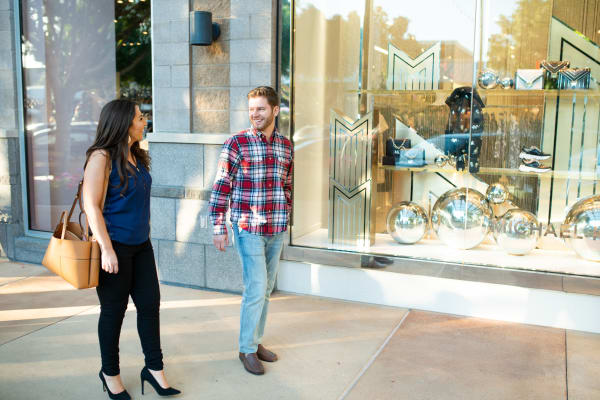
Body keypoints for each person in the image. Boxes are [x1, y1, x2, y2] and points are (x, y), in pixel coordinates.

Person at [82, 99, 180, 399]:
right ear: (124, 122)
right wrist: (107, 250)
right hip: (115, 248)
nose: (144, 121)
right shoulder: (101, 157)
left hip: (141, 246)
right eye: (140, 117)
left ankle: (154, 369)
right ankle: (109, 373)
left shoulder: (136, 155)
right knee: (113, 312)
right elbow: (91, 206)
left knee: (150, 306)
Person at [208, 86, 293, 375]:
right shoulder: (236, 143)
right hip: (248, 227)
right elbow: (221, 186)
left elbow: (287, 185)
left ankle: (256, 342)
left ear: (275, 110)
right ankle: (246, 350)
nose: (255, 114)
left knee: (266, 289)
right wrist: (219, 226)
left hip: (276, 226)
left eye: (261, 109)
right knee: (256, 287)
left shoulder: (285, 145)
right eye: (251, 109)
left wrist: (287, 213)